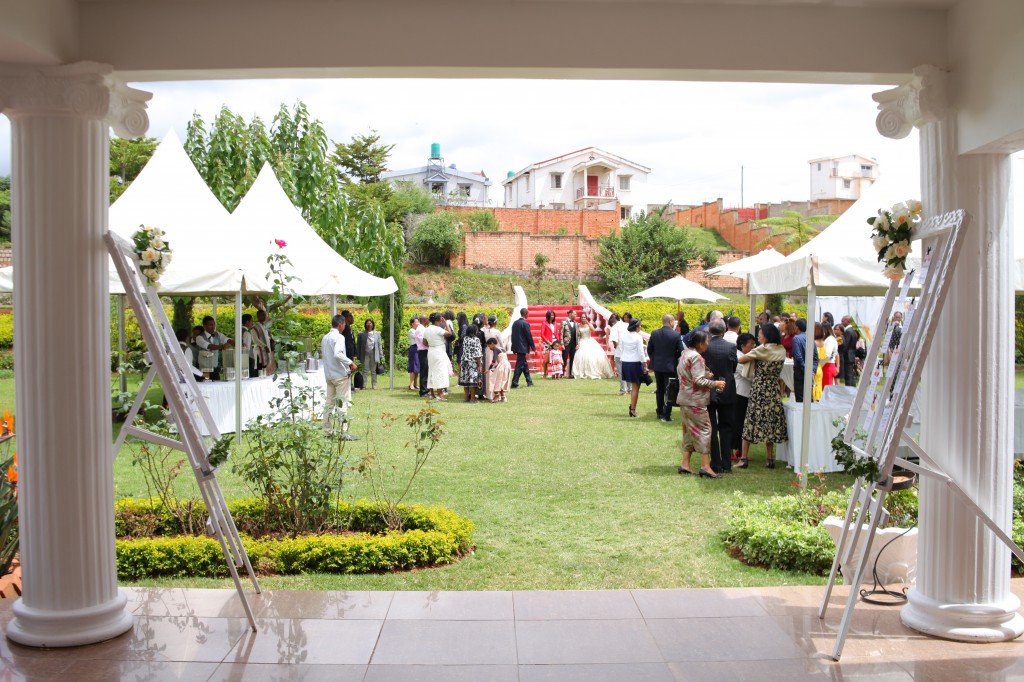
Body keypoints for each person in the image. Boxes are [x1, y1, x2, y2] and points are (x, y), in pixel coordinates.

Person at [737, 323, 789, 469]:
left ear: (766, 336)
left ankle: (744, 458)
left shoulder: (762, 350)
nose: (758, 336)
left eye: (760, 334)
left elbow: (741, 359)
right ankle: (770, 458)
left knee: (750, 421)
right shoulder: (781, 349)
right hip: (773, 389)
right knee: (770, 422)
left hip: (759, 389)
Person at [676, 330, 726, 479]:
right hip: (695, 401)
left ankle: (685, 463)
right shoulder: (697, 357)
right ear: (699, 343)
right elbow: (698, 381)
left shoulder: (685, 354)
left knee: (688, 432)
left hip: (685, 399)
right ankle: (705, 466)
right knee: (705, 431)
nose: (708, 344)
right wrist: (715, 383)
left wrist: (705, 375)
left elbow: (690, 376)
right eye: (707, 341)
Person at [703, 319, 737, 474]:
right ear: (724, 331)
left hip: (709, 387)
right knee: (726, 426)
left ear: (710, 331)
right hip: (727, 388)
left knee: (711, 427)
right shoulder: (731, 347)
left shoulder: (705, 347)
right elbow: (733, 366)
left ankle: (715, 462)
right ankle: (726, 462)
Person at [321, 314, 356, 435]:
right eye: (344, 324)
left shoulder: (325, 338)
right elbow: (338, 354)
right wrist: (350, 363)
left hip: (329, 375)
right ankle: (343, 432)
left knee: (329, 404)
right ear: (340, 324)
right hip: (339, 376)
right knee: (342, 404)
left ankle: (327, 431)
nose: (345, 326)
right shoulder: (339, 337)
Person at [647, 313, 684, 423]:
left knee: (660, 389)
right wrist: (674, 358)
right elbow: (680, 351)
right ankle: (666, 414)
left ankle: (659, 411)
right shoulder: (676, 335)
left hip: (658, 365)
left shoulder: (654, 333)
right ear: (671, 322)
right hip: (670, 366)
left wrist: (654, 359)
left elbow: (649, 349)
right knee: (669, 390)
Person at [731, 332, 756, 462]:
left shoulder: (745, 356)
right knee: (737, 422)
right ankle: (732, 450)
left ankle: (740, 450)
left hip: (745, 393)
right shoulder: (738, 356)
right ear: (742, 345)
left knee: (743, 423)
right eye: (751, 344)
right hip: (739, 393)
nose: (753, 346)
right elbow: (748, 375)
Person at [619, 317, 648, 418]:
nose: (640, 327)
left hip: (626, 362)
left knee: (633, 387)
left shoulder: (624, 336)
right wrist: (645, 364)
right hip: (635, 362)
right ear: (636, 326)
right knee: (635, 388)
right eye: (639, 325)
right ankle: (633, 409)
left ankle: (632, 407)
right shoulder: (638, 337)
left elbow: (622, 349)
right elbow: (641, 352)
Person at [572, 315, 614, 379]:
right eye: (582, 317)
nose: (583, 318)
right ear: (580, 318)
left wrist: (588, 323)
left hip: (589, 340)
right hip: (582, 341)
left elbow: (593, 330)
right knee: (581, 356)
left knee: (592, 356)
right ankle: (583, 372)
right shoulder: (578, 325)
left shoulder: (589, 324)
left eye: (584, 317)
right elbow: (578, 335)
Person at [195, 315, 233, 381]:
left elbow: (226, 339)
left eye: (214, 324)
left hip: (215, 368)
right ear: (204, 326)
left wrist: (235, 343)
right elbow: (208, 346)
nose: (213, 327)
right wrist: (222, 346)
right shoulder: (199, 338)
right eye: (210, 325)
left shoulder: (217, 334)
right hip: (204, 369)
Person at [424, 312, 453, 400]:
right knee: (440, 371)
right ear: (437, 321)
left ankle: (431, 393)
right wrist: (446, 323)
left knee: (431, 371)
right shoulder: (437, 329)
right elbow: (449, 333)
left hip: (431, 351)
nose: (441, 322)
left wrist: (432, 345)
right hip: (439, 351)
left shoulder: (427, 329)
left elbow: (424, 342)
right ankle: (440, 394)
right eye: (440, 320)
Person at [791, 318, 818, 403]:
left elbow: (798, 356)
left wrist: (805, 368)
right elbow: (815, 356)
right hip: (809, 369)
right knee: (808, 394)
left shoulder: (796, 338)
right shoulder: (810, 338)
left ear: (797, 327)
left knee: (800, 394)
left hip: (800, 369)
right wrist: (812, 369)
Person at [510, 308, 536, 388]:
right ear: (525, 313)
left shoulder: (515, 323)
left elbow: (513, 336)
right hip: (522, 347)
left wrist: (513, 347)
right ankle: (514, 382)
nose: (528, 315)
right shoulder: (525, 324)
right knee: (519, 365)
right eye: (528, 313)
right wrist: (533, 348)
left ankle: (529, 381)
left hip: (517, 347)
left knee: (524, 365)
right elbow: (529, 336)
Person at [458, 323, 483, 402]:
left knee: (466, 381)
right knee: (473, 381)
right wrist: (480, 365)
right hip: (473, 362)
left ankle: (466, 398)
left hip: (465, 361)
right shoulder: (476, 339)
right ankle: (472, 399)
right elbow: (477, 353)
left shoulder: (465, 339)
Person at [356, 318, 383, 390]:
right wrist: (358, 355)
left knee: (373, 370)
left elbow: (379, 344)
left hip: (374, 353)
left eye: (370, 323)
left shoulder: (377, 333)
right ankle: (364, 385)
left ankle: (374, 384)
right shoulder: (361, 334)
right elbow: (358, 345)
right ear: (365, 325)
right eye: (367, 323)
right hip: (365, 353)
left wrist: (381, 354)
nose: (369, 325)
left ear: (373, 324)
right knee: (365, 370)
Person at [610, 312, 632, 395]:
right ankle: (630, 389)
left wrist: (616, 346)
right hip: (628, 353)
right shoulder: (627, 325)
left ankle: (623, 390)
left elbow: (614, 340)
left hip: (619, 353)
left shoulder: (614, 327)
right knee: (628, 371)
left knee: (621, 372)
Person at [485, 336, 511, 402]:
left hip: (502, 365)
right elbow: (502, 358)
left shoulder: (495, 349)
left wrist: (488, 369)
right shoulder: (502, 349)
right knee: (501, 381)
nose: (489, 348)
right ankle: (503, 396)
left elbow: (493, 361)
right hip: (507, 365)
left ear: (492, 344)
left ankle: (496, 396)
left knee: (495, 380)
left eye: (489, 346)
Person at [840, 316, 860, 386]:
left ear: (848, 321)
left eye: (843, 321)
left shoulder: (848, 331)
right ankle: (853, 387)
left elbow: (846, 344)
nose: (841, 322)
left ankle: (849, 389)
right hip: (851, 355)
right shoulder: (852, 330)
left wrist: (841, 353)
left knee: (848, 375)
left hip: (848, 356)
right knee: (850, 374)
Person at [253, 308, 274, 374]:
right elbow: (255, 340)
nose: (265, 317)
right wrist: (264, 346)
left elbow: (267, 337)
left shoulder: (264, 326)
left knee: (265, 367)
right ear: (259, 316)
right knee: (259, 368)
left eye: (265, 315)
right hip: (259, 351)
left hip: (266, 351)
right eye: (263, 315)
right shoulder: (255, 327)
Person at [560, 309, 579, 378]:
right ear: (570, 314)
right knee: (564, 358)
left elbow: (577, 335)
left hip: (574, 343)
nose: (575, 315)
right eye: (574, 314)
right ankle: (561, 373)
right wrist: (562, 344)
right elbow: (561, 333)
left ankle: (571, 373)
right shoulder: (564, 322)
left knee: (572, 359)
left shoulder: (576, 323)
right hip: (566, 343)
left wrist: (577, 343)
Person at [822, 319, 839, 388]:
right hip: (826, 365)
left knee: (827, 389)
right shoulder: (828, 339)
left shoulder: (830, 339)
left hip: (827, 365)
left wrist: (820, 364)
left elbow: (827, 355)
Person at [541, 309, 557, 379]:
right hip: (547, 343)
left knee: (555, 358)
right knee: (546, 360)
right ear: (548, 316)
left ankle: (554, 374)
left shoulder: (555, 323)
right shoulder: (544, 323)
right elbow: (542, 334)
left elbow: (557, 333)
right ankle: (545, 373)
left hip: (555, 342)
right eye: (551, 315)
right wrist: (548, 342)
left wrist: (557, 342)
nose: (552, 316)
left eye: (553, 315)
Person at [416, 314, 430, 397]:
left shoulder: (423, 328)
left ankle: (426, 390)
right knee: (424, 371)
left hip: (426, 351)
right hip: (423, 351)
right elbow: (424, 342)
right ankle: (423, 391)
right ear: (425, 320)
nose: (429, 321)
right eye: (428, 319)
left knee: (426, 371)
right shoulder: (420, 329)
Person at [813, 322, 826, 402]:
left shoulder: (813, 343)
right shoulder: (822, 343)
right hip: (819, 368)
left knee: (813, 388)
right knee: (818, 388)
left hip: (814, 368)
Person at [407, 316, 421, 391]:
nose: (418, 323)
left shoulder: (418, 330)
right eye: (416, 322)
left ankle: (416, 383)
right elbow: (418, 338)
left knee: (417, 367)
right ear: (412, 324)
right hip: (414, 349)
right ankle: (411, 384)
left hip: (418, 349)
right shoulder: (411, 331)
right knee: (413, 367)